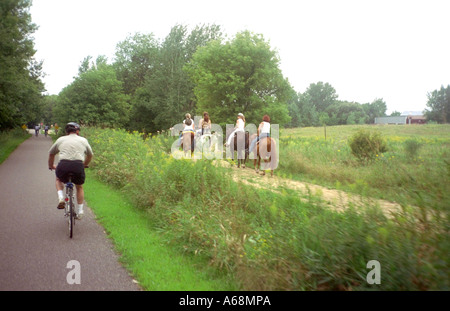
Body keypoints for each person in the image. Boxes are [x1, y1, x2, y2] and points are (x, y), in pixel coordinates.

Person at [48, 122, 93, 220]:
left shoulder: (61, 139)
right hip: (78, 166)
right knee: (79, 187)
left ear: (66, 131)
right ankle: (80, 211)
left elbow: (51, 153)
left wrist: (51, 165)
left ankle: (61, 197)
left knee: (58, 179)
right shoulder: (83, 140)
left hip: (63, 165)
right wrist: (84, 164)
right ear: (77, 131)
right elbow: (90, 155)